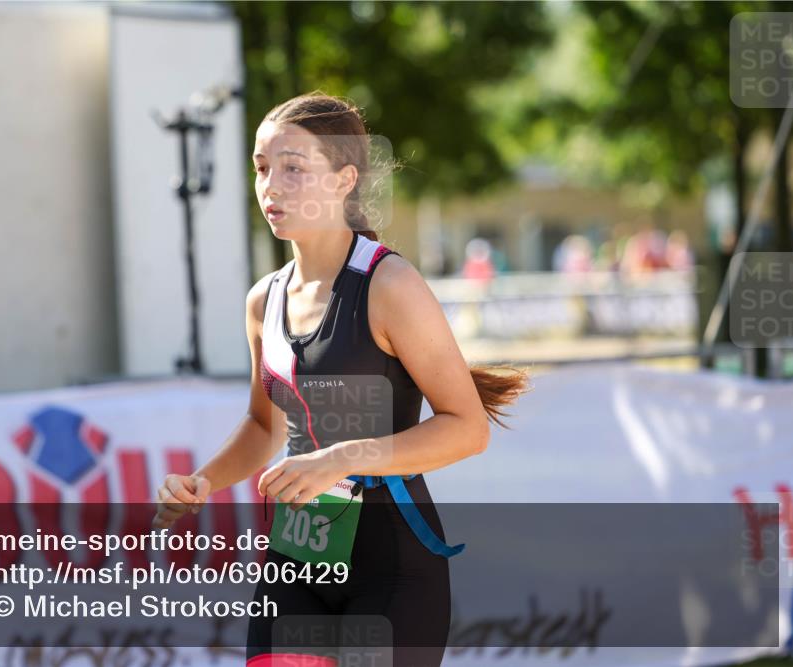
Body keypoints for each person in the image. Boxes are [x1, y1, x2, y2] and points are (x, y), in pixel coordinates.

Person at [153, 92, 526, 666]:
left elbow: (467, 429)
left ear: (344, 179)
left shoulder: (389, 285)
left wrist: (341, 457)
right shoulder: (263, 301)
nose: (270, 187)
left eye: (293, 169)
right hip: (295, 565)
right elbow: (263, 424)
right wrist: (202, 482)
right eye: (261, 168)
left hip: (393, 569)